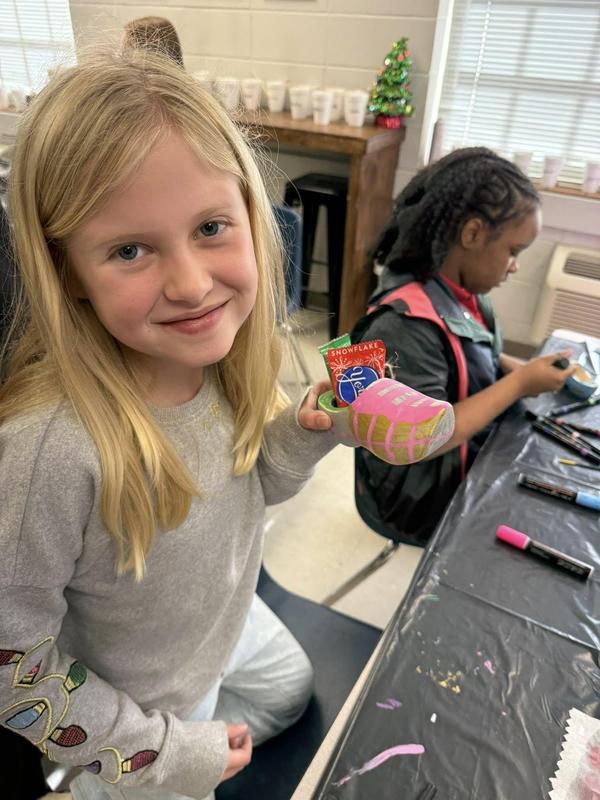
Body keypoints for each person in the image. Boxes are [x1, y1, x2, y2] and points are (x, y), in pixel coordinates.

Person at [0, 49, 336, 800]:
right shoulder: (47, 451)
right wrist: (169, 754)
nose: (190, 285)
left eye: (212, 227)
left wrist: (308, 432)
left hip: (218, 632)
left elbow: (250, 488)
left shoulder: (216, 361)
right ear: (67, 275)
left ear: (252, 217)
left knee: (289, 692)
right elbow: (13, 679)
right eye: (129, 249)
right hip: (138, 706)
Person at [352, 147, 575, 547]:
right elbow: (425, 435)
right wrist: (521, 382)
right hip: (419, 495)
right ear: (471, 234)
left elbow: (477, 353)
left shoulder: (463, 290)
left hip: (460, 450)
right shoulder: (400, 326)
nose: (515, 266)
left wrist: (523, 368)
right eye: (513, 251)